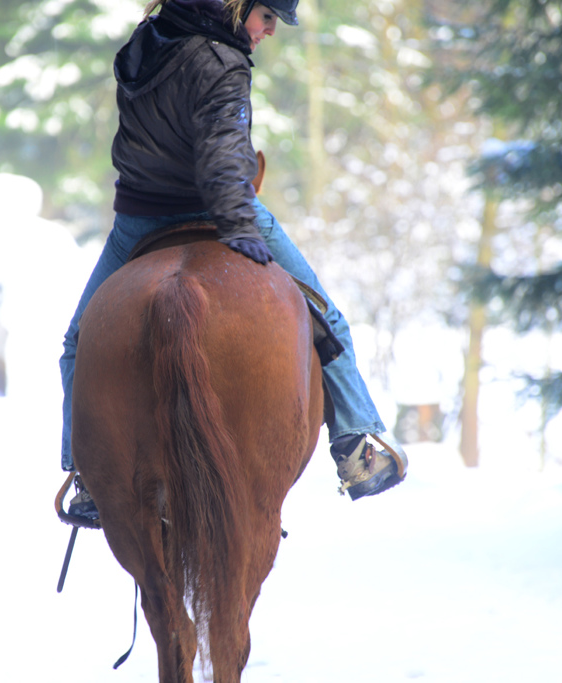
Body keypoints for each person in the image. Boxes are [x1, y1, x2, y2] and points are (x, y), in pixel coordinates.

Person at [60, 0, 407, 521]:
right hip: (214, 208)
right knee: (325, 316)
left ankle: (85, 473)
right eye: (266, 15)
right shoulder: (223, 61)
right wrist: (239, 225)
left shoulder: (146, 39)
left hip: (136, 216)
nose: (269, 30)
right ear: (237, 3)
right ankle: (355, 447)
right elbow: (222, 153)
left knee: (78, 343)